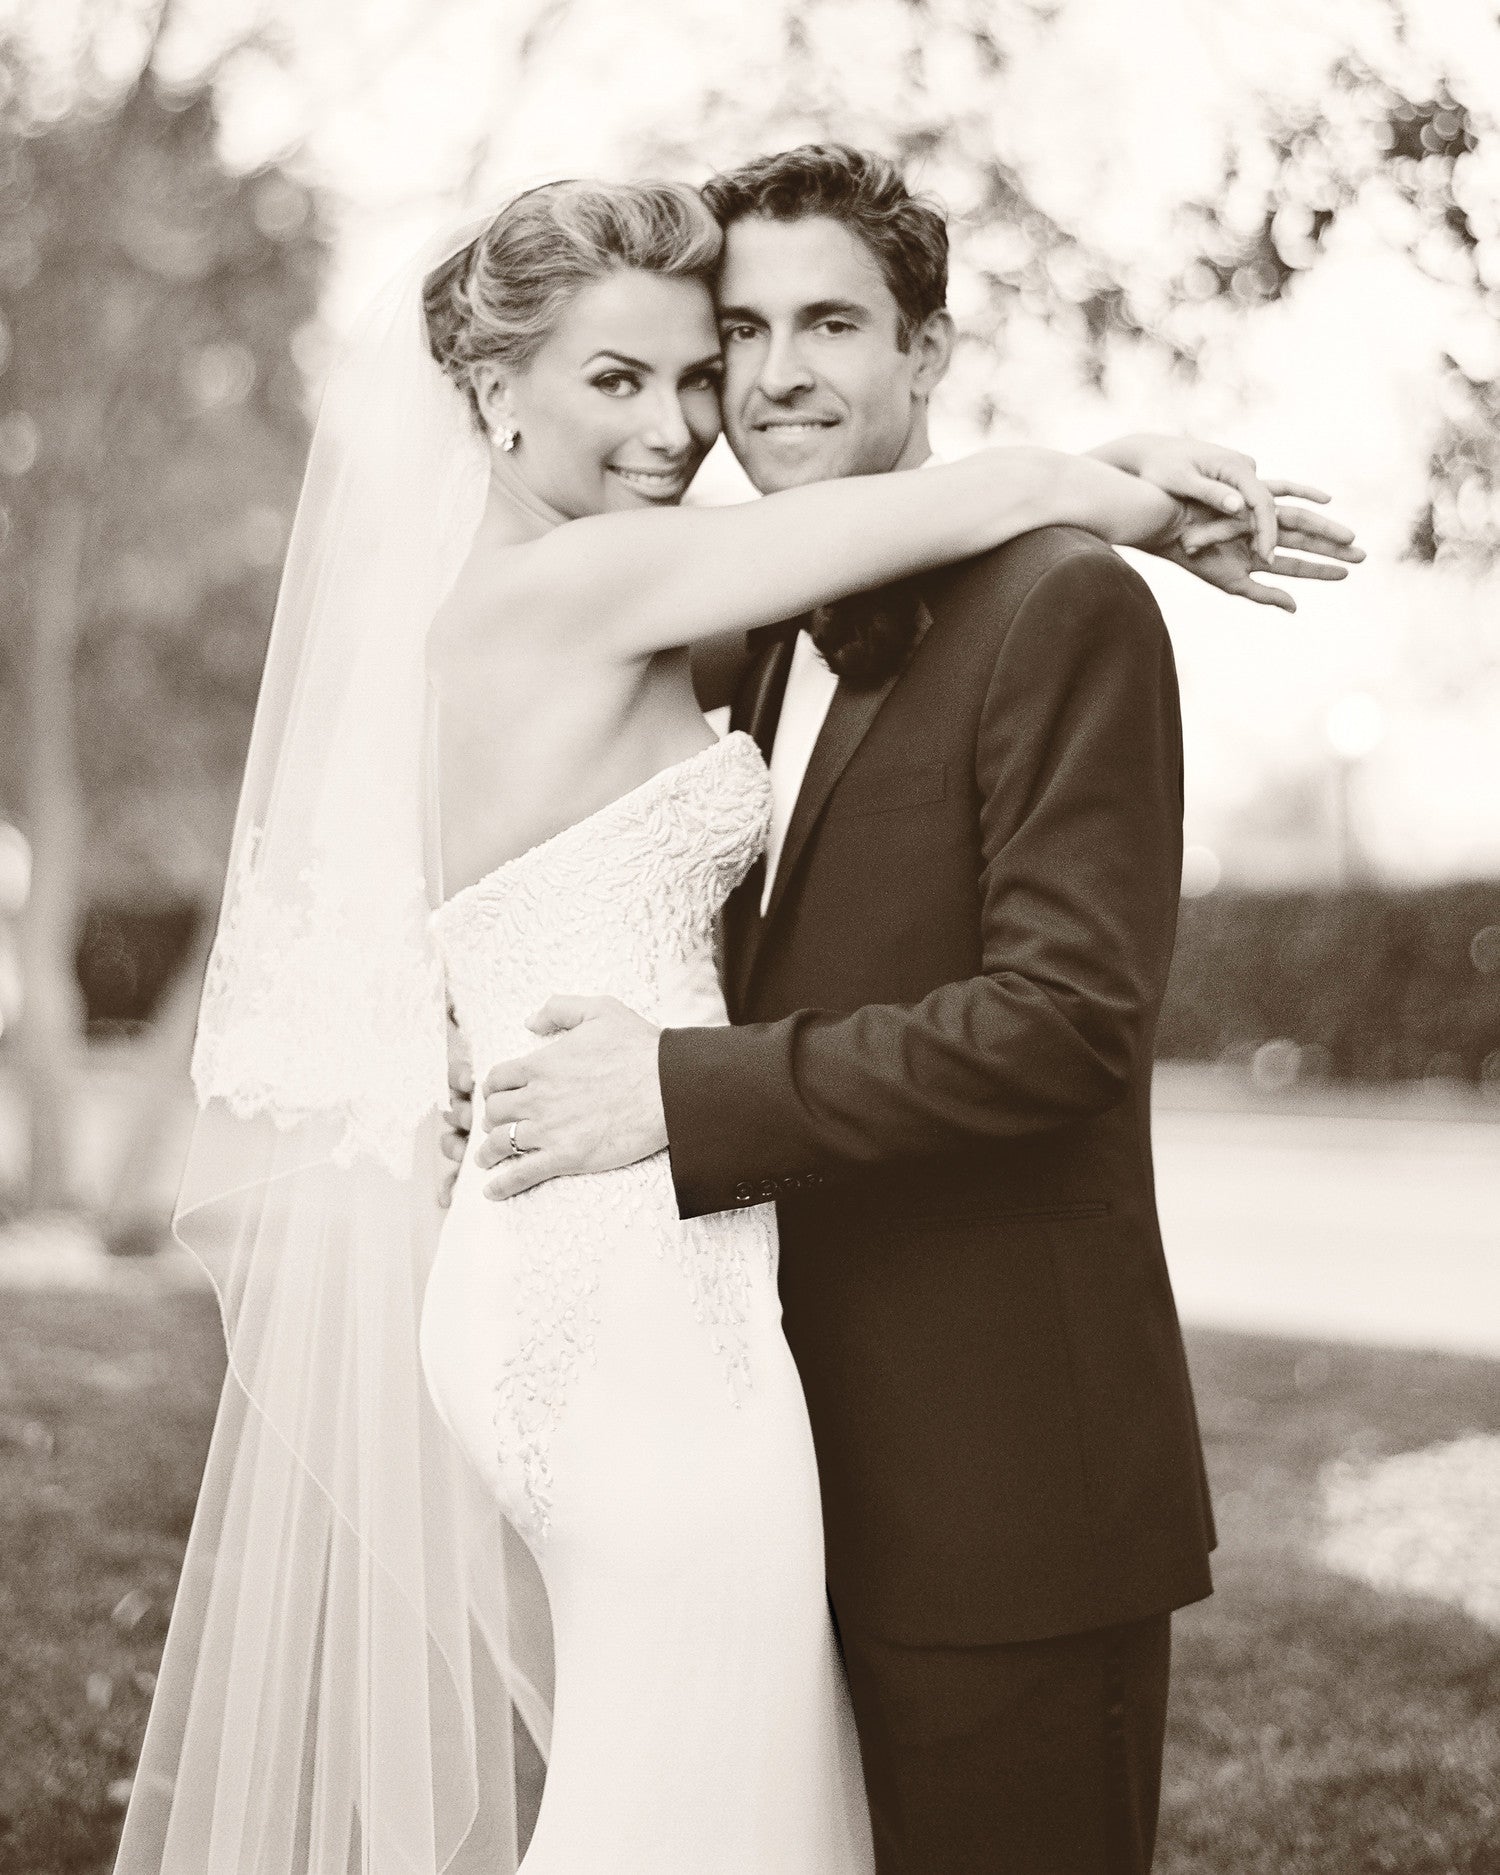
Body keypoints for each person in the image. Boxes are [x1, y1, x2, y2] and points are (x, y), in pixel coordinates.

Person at [115, 172, 1356, 1875]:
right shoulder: (614, 593)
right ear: (490, 397)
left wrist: (553, 1067)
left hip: (787, 1359)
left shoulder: (754, 625)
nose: (708, 409)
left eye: (731, 360)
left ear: (925, 351)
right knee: (690, 1802)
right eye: (663, 367)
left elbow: (1060, 1017)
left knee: (692, 1791)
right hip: (625, 1310)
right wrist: (1109, 477)